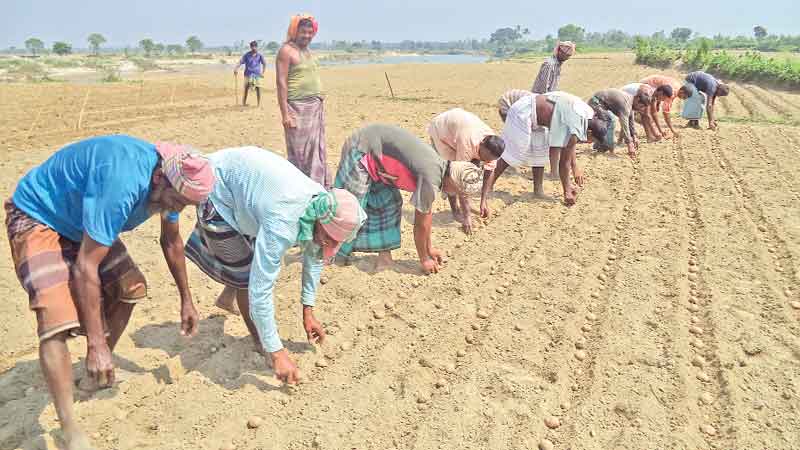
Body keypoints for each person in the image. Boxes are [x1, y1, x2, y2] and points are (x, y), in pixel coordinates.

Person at [5, 135, 213, 450]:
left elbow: (171, 240)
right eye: (178, 201)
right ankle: (70, 428)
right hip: (39, 216)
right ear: (159, 178)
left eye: (186, 205)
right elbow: (85, 267)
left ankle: (95, 375)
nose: (178, 209)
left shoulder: (173, 184)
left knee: (131, 288)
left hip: (82, 221)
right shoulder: (122, 184)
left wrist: (187, 300)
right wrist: (96, 343)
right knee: (55, 319)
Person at [185, 147, 364, 385]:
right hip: (217, 189)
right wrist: (276, 351)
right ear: (320, 223)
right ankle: (260, 342)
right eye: (328, 239)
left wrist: (308, 310)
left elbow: (314, 255)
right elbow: (260, 289)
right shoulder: (283, 222)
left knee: (249, 257)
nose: (328, 246)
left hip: (247, 189)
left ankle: (228, 298)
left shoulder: (323, 202)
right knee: (247, 277)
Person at [334, 124, 483, 274]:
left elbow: (426, 217)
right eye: (458, 191)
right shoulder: (431, 178)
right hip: (361, 148)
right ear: (453, 182)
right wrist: (424, 259)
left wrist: (429, 249)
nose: (456, 194)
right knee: (351, 209)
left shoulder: (439, 169)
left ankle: (384, 259)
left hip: (379, 162)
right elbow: (420, 224)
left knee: (390, 203)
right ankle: (333, 252)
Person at [488, 91, 606, 207]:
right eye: (592, 140)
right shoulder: (576, 127)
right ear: (589, 132)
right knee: (512, 153)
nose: (589, 142)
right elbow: (564, 163)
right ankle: (488, 186)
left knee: (540, 152)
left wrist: (570, 181)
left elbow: (569, 146)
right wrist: (567, 191)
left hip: (539, 118)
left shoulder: (587, 115)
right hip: (524, 111)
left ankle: (538, 191)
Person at [427, 108, 505, 234]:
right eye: (484, 157)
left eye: (489, 159)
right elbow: (457, 178)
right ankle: (455, 210)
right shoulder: (467, 144)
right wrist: (467, 216)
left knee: (471, 171)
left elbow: (489, 172)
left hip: (460, 126)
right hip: (442, 130)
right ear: (481, 144)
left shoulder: (493, 148)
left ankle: (465, 206)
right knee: (450, 171)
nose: (485, 161)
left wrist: (483, 200)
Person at [276, 14, 328, 186]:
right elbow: (281, 83)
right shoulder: (286, 51)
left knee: (315, 150)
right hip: (297, 108)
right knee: (299, 152)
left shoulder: (307, 51)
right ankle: (300, 187)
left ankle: (317, 185)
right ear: (295, 32)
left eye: (310, 33)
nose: (307, 36)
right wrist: (285, 115)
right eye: (303, 32)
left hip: (315, 108)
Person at [588, 88, 647, 158]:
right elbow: (624, 123)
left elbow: (630, 119)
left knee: (608, 119)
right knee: (610, 120)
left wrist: (634, 136)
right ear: (637, 99)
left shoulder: (630, 102)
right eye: (641, 106)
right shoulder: (626, 104)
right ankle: (605, 145)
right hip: (595, 103)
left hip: (601, 104)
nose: (640, 109)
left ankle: (600, 145)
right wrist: (630, 144)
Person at [640, 74, 689, 139]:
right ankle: (651, 132)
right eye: (684, 97)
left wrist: (658, 103)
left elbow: (661, 88)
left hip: (649, 82)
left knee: (652, 111)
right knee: (647, 113)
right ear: (682, 92)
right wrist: (673, 130)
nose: (683, 99)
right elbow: (665, 112)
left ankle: (652, 131)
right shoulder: (673, 92)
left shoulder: (677, 86)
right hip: (647, 85)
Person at [234, 41, 267, 107]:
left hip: (257, 74)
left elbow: (264, 63)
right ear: (250, 47)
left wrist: (263, 72)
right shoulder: (247, 55)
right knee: (246, 88)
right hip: (248, 74)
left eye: (255, 47)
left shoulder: (259, 55)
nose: (254, 48)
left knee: (258, 89)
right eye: (252, 47)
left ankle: (259, 104)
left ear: (257, 47)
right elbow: (240, 62)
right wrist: (236, 68)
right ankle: (243, 103)